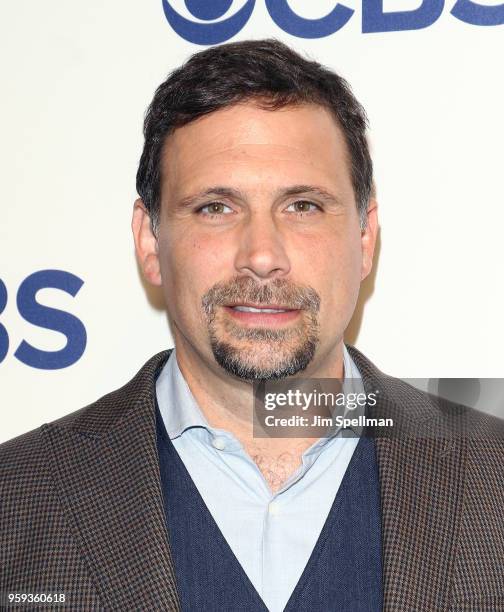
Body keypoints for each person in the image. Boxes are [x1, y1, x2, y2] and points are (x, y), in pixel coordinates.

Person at [1, 39, 503, 612]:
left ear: (365, 239)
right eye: (217, 207)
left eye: (303, 206)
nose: (262, 255)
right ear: (149, 240)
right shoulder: (16, 494)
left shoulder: (493, 478)